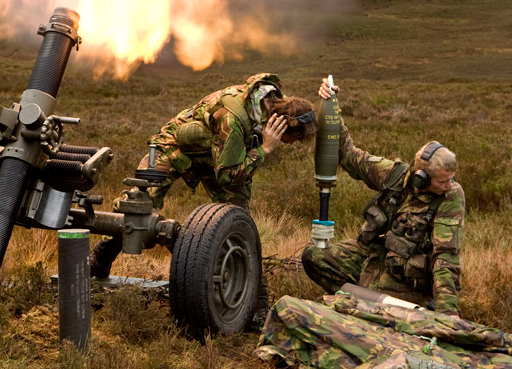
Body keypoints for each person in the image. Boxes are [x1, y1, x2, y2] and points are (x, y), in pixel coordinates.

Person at [89, 72, 317, 278]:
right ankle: (101, 258)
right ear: (280, 127)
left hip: (217, 154)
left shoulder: (275, 102)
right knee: (139, 206)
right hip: (175, 147)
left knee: (238, 222)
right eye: (292, 139)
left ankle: (248, 288)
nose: (290, 145)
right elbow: (226, 176)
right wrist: (264, 150)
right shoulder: (234, 120)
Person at [301, 78, 465, 316]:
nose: (450, 184)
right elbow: (347, 155)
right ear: (421, 177)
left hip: (407, 277)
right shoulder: (395, 175)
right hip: (374, 258)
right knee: (314, 256)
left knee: (388, 309)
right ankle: (358, 299)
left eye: (451, 178)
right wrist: (333, 107)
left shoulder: (451, 197)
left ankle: (383, 304)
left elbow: (445, 257)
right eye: (443, 180)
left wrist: (448, 315)